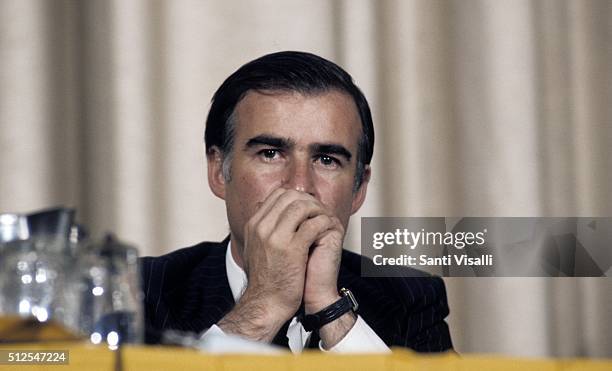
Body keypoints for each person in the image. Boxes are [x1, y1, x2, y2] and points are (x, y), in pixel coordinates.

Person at [141, 51, 453, 353]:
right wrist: (264, 303)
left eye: (327, 160)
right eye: (270, 154)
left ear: (359, 189)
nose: (300, 185)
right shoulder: (141, 292)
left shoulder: (412, 299)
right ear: (219, 171)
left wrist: (332, 311)